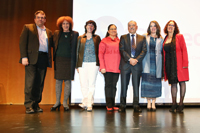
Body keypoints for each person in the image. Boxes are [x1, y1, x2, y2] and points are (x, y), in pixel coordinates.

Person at [19, 10, 53, 114]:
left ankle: (36, 104)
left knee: (39, 83)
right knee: (30, 83)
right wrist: (24, 56)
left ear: (45, 20)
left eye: (42, 17)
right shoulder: (28, 27)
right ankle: (28, 105)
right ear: (35, 19)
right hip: (31, 58)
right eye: (38, 17)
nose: (40, 19)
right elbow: (22, 43)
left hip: (43, 58)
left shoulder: (49, 31)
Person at [50, 16, 79, 111]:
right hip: (59, 59)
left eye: (67, 24)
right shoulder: (56, 33)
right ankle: (57, 102)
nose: (66, 25)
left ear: (70, 25)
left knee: (68, 81)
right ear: (60, 25)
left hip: (70, 60)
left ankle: (65, 102)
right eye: (64, 24)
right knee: (58, 81)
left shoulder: (75, 34)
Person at [119, 20, 147, 112]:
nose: (131, 27)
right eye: (130, 25)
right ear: (128, 27)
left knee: (136, 85)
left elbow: (144, 50)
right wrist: (130, 59)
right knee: (124, 85)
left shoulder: (142, 38)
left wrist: (136, 59)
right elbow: (122, 50)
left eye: (133, 25)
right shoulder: (123, 37)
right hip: (125, 65)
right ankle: (122, 105)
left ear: (136, 27)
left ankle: (136, 105)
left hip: (137, 65)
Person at [163, 20, 189, 112]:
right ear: (167, 27)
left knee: (182, 82)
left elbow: (184, 50)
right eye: (169, 25)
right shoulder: (165, 38)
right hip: (169, 64)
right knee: (173, 84)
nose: (171, 26)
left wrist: (185, 64)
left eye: (172, 25)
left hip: (180, 64)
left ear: (175, 27)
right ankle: (174, 104)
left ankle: (181, 104)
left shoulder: (179, 36)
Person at [76, 20, 101, 112]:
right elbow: (77, 52)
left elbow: (100, 51)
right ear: (85, 26)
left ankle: (89, 103)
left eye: (92, 26)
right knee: (83, 84)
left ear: (94, 28)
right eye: (88, 25)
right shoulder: (80, 38)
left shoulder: (97, 38)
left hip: (93, 63)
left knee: (91, 84)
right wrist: (77, 65)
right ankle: (86, 101)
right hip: (82, 63)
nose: (90, 27)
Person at [141, 21, 163, 111]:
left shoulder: (161, 38)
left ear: (157, 28)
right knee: (147, 83)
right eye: (151, 26)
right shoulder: (144, 37)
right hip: (147, 63)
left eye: (155, 26)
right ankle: (148, 102)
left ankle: (153, 102)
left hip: (157, 64)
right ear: (149, 28)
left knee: (155, 83)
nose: (153, 28)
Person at [98, 24, 121, 111]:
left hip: (116, 68)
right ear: (108, 31)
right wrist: (102, 67)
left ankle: (113, 104)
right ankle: (108, 105)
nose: (113, 30)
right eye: (111, 29)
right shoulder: (104, 41)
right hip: (106, 68)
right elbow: (100, 54)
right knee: (108, 86)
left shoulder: (119, 41)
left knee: (114, 86)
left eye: (115, 29)